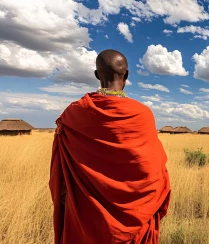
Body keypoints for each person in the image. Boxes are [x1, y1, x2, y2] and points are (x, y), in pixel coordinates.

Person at [49, 49, 171, 244]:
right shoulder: (142, 114)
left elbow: (60, 174)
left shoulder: (74, 113)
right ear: (127, 75)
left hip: (86, 218)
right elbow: (154, 170)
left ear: (97, 75)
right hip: (137, 221)